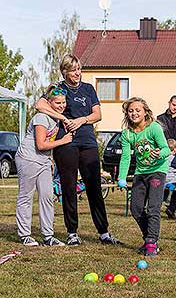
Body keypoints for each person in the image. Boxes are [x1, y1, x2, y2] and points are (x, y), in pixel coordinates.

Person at [36, 54, 120, 246]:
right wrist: (63, 119)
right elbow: (39, 104)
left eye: (79, 69)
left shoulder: (88, 89)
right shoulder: (58, 88)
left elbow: (97, 114)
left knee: (94, 187)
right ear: (64, 72)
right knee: (69, 187)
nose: (77, 73)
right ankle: (72, 232)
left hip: (88, 141)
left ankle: (104, 232)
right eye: (73, 70)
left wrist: (82, 120)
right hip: (66, 143)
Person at [16, 84, 73, 246]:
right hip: (28, 158)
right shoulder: (41, 117)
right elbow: (41, 144)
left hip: (43, 161)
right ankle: (25, 234)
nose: (61, 106)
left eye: (63, 102)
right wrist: (63, 141)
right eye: (58, 103)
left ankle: (48, 235)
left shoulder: (56, 118)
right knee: (26, 196)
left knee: (47, 196)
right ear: (49, 103)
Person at [118, 97, 170, 256]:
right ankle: (148, 237)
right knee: (136, 208)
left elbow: (166, 149)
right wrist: (121, 177)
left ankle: (151, 242)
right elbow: (126, 157)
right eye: (131, 110)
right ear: (127, 113)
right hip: (140, 173)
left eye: (137, 110)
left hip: (157, 171)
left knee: (153, 208)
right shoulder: (127, 134)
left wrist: (159, 153)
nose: (134, 113)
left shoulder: (154, 128)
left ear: (145, 112)